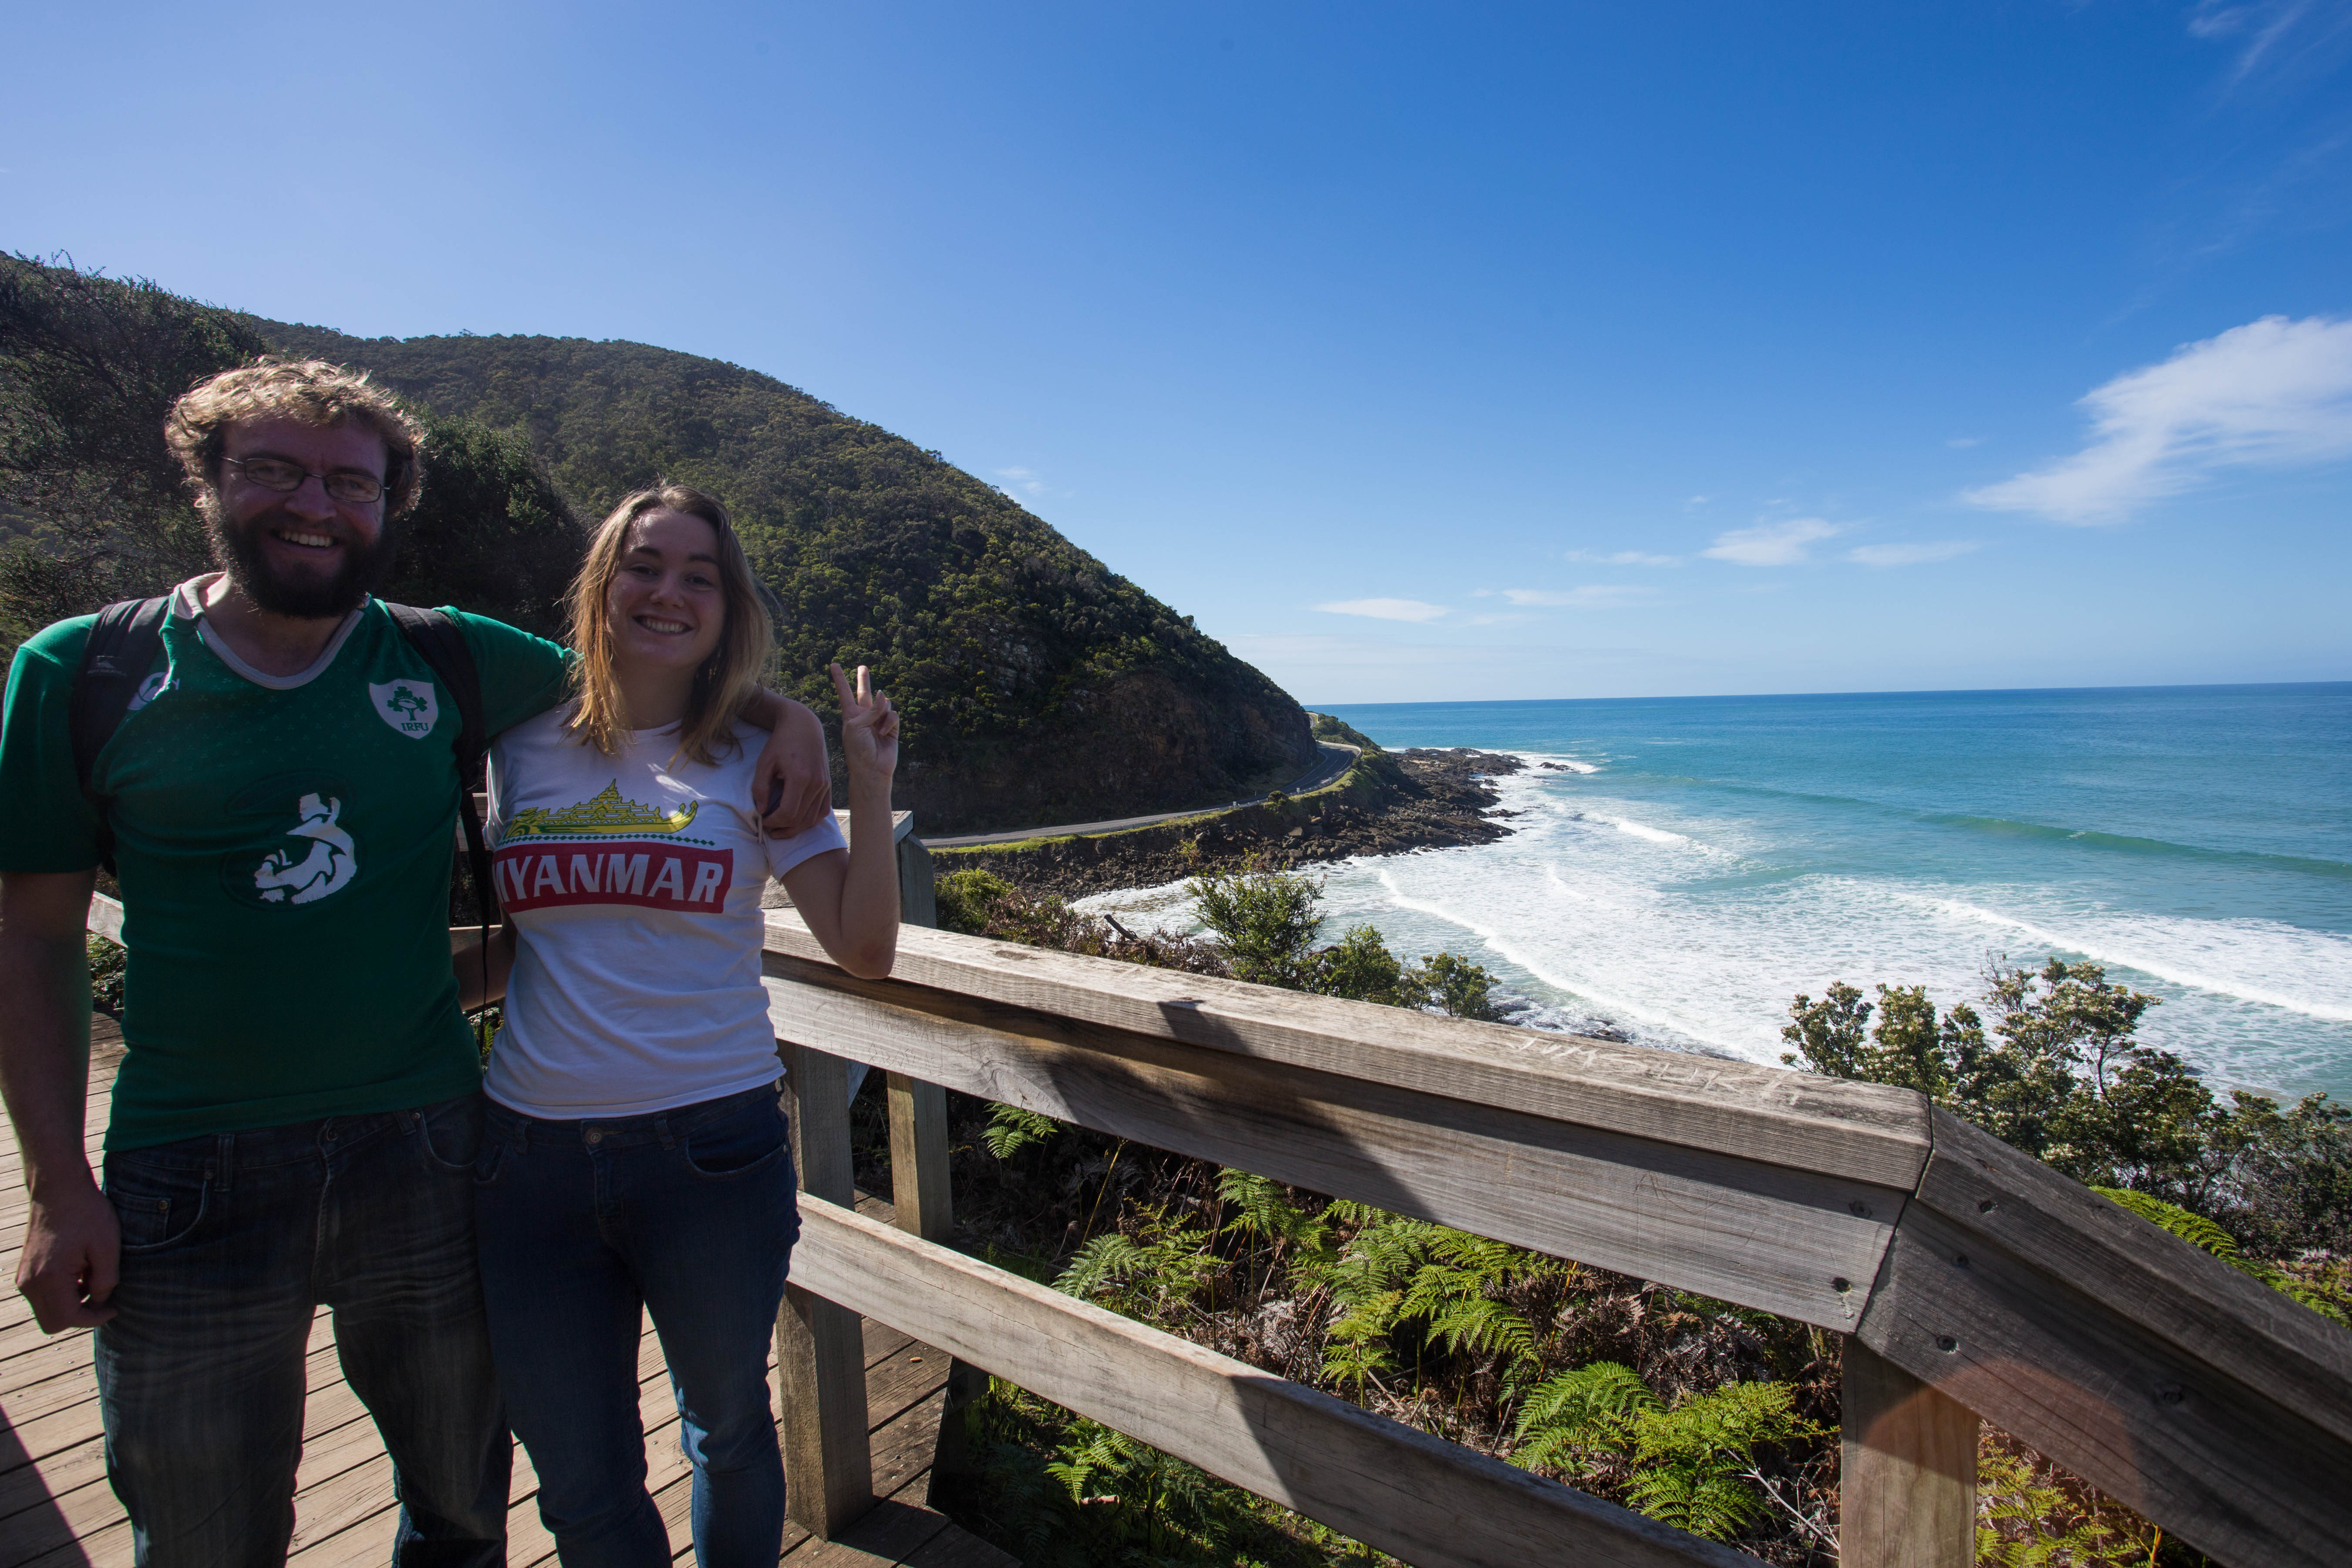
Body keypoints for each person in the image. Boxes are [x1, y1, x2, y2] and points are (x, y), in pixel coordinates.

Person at [0, 358, 833, 1567]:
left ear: (390, 505)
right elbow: (32, 936)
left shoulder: (450, 661)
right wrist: (52, 1182)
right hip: (187, 1162)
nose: (315, 504)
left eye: (351, 480)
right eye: (275, 469)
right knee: (198, 1526)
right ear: (208, 481)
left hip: (433, 1143)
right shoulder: (85, 672)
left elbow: (659, 674)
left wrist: (796, 720)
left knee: (459, 1507)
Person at [455, 484, 899, 1568]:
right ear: (603, 586)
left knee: (730, 1429)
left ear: (728, 605)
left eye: (699, 574)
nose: (669, 591)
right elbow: (518, 939)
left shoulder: (757, 755)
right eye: (645, 565)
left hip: (710, 1145)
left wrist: (867, 780)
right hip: (528, 1156)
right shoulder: (516, 743)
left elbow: (862, 946)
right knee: (577, 1464)